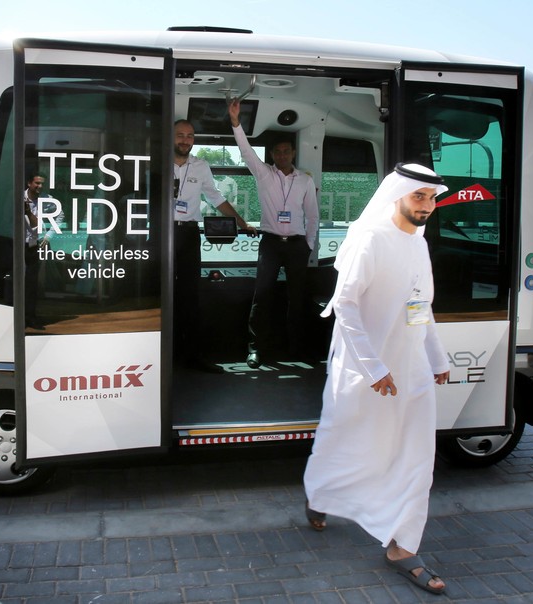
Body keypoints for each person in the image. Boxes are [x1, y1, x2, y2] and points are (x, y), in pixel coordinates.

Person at [303, 163, 451, 595]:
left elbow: (421, 307)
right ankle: (320, 494)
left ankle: (402, 548)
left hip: (413, 374)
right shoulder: (370, 240)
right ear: (398, 195)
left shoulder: (418, 247)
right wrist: (374, 367)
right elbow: (344, 306)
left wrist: (436, 356)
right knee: (347, 442)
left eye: (432, 197)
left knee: (418, 459)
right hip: (366, 371)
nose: (427, 205)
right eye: (419, 196)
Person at [228, 99, 319, 368]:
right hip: (270, 243)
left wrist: (308, 245)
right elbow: (245, 152)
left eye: (286, 151)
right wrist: (236, 123)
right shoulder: (263, 174)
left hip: (296, 245)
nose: (281, 156)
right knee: (262, 297)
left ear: (292, 153)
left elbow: (313, 215)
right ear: (272, 155)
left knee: (297, 298)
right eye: (277, 152)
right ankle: (255, 349)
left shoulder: (304, 180)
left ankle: (296, 347)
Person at [172, 119, 255, 371]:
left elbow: (216, 197)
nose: (185, 140)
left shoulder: (201, 166)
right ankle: (165, 357)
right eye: (180, 135)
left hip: (187, 235)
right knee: (161, 295)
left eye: (190, 136)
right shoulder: (156, 161)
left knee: (190, 298)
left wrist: (241, 223)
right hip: (161, 234)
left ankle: (193, 356)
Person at [23, 173, 63, 330]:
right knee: (17, 282)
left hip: (36, 244)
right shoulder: (18, 197)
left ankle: (30, 317)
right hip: (18, 244)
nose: (39, 186)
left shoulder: (48, 199)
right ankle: (16, 317)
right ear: (29, 182)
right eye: (37, 183)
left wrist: (49, 235)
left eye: (42, 184)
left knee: (32, 283)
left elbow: (60, 215)